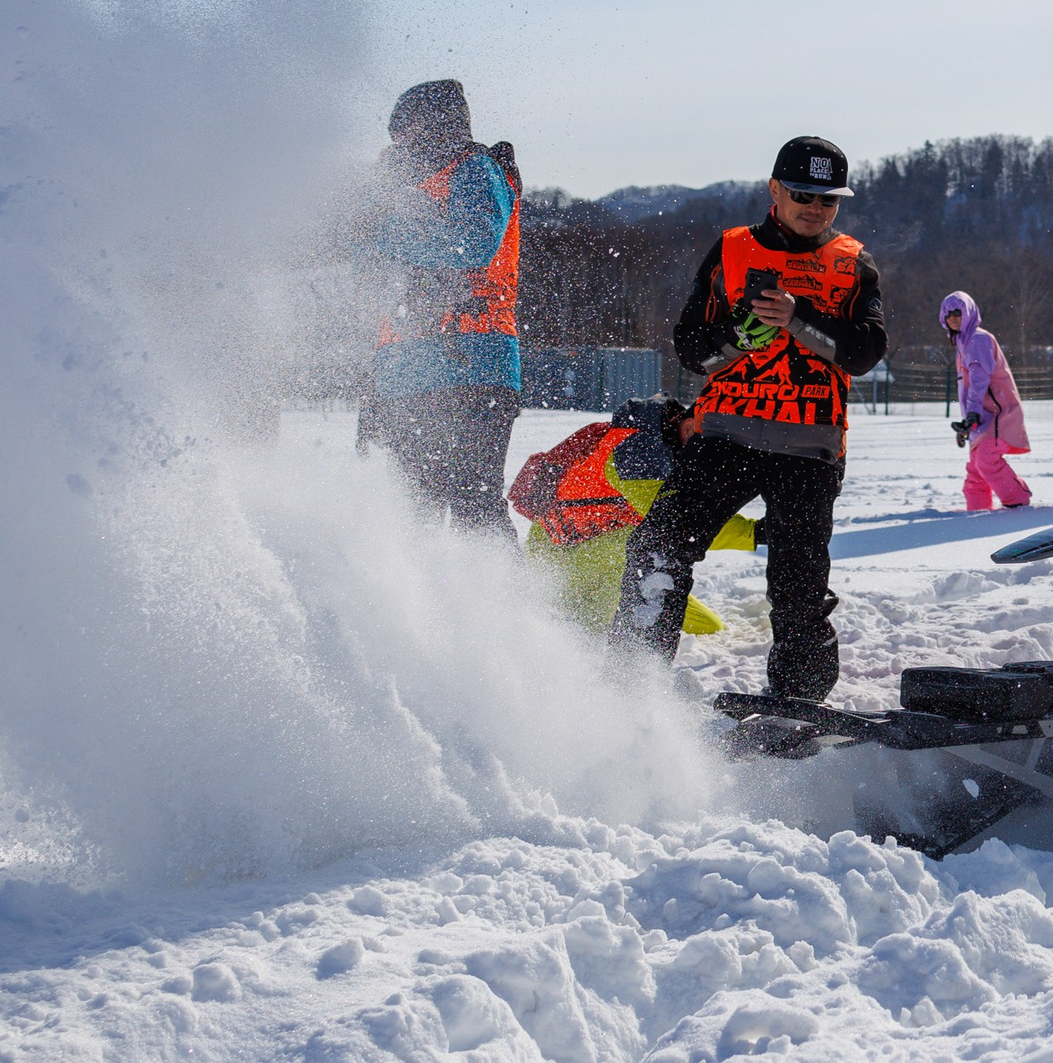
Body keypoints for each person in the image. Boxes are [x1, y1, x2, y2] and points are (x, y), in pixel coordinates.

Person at [610, 137, 888, 700]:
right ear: (775, 190)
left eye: (829, 200)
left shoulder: (855, 263)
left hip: (810, 450)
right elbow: (690, 349)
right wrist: (735, 337)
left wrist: (799, 317)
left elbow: (865, 353)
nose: (816, 208)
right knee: (658, 546)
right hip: (724, 438)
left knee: (799, 588)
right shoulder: (730, 249)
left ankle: (798, 707)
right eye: (804, 195)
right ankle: (628, 688)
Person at [358, 79, 523, 534]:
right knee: (409, 512)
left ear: (435, 125)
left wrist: (379, 232)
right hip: (402, 369)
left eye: (406, 132)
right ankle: (416, 605)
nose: (400, 145)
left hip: (470, 360)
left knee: (474, 500)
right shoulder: (397, 192)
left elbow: (470, 245)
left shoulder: (474, 170)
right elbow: (368, 280)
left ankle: (501, 603)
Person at [508, 396, 754, 632]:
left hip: (596, 555)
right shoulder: (636, 450)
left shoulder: (660, 443)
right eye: (694, 425)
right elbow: (679, 525)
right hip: (558, 558)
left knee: (708, 626)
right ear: (681, 416)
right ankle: (573, 620)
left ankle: (583, 614)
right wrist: (757, 533)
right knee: (648, 536)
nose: (695, 435)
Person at [942, 291, 1034, 512]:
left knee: (986, 460)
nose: (953, 317)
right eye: (948, 314)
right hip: (982, 418)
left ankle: (1018, 503)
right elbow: (968, 388)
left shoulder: (978, 339)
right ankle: (977, 513)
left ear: (969, 313)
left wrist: (972, 415)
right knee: (976, 469)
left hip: (1000, 414)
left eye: (958, 312)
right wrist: (968, 422)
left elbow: (979, 381)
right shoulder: (963, 344)